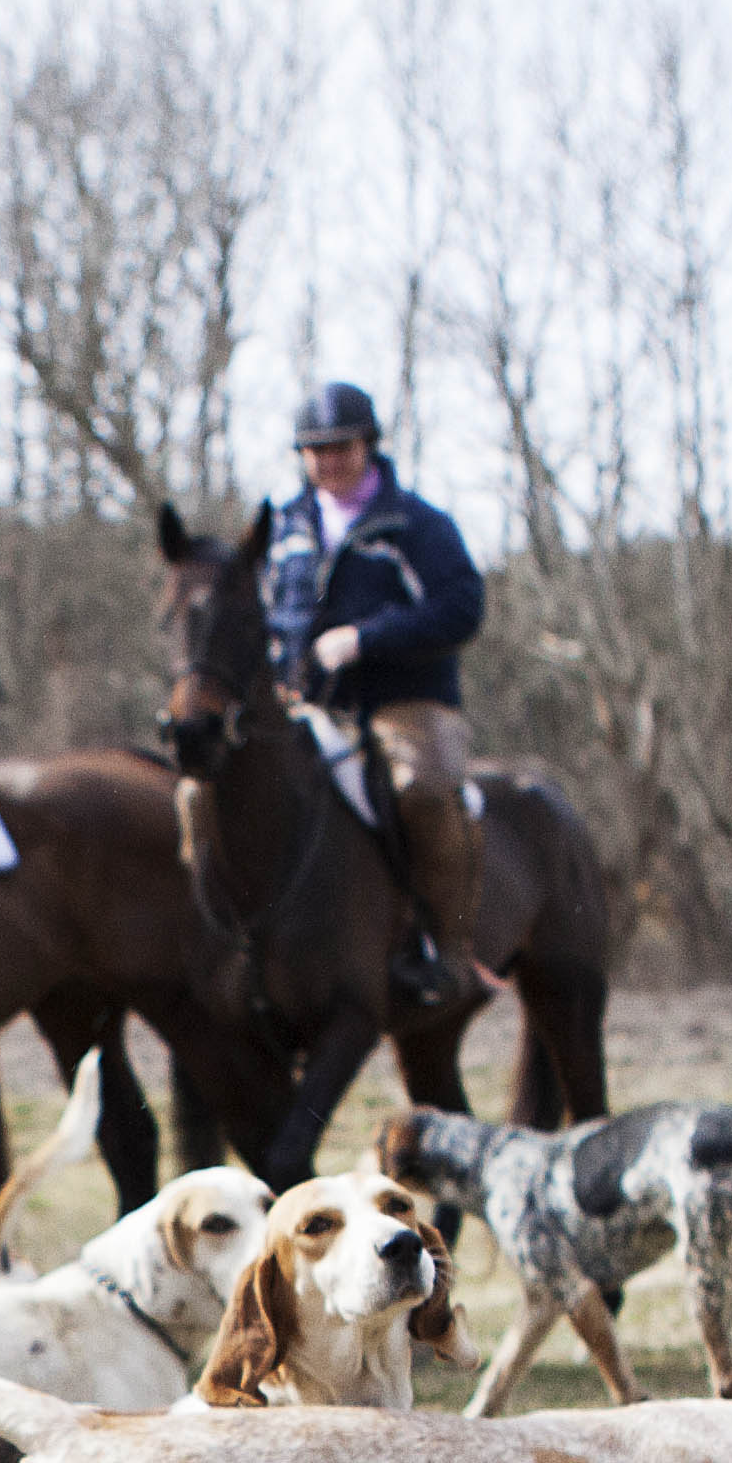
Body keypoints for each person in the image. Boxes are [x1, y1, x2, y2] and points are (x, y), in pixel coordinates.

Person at [263, 379, 491, 1015]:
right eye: (315, 450)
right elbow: (265, 614)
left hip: (404, 701)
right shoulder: (285, 529)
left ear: (369, 446)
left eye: (341, 446)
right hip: (308, 703)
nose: (328, 460)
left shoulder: (417, 524)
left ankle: (446, 951)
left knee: (421, 787)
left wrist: (366, 638)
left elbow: (462, 607)